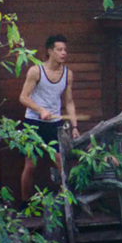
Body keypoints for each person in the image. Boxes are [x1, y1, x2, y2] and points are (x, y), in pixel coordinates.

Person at [18, 34, 77, 204]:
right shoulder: (36, 71)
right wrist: (40, 110)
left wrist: (74, 127)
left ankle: (65, 204)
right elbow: (23, 97)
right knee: (30, 165)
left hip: (54, 124)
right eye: (59, 50)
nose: (63, 53)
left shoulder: (67, 74)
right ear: (50, 51)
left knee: (61, 163)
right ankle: (25, 204)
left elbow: (69, 102)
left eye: (65, 49)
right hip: (33, 123)